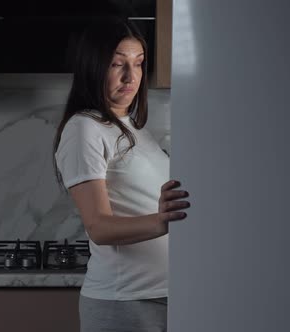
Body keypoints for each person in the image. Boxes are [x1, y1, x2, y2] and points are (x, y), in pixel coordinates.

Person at [53, 19, 190, 332]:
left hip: (162, 297)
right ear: (93, 67)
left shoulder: (133, 129)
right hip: (124, 303)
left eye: (139, 63)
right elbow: (98, 226)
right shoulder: (84, 128)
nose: (132, 77)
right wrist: (161, 221)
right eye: (117, 64)